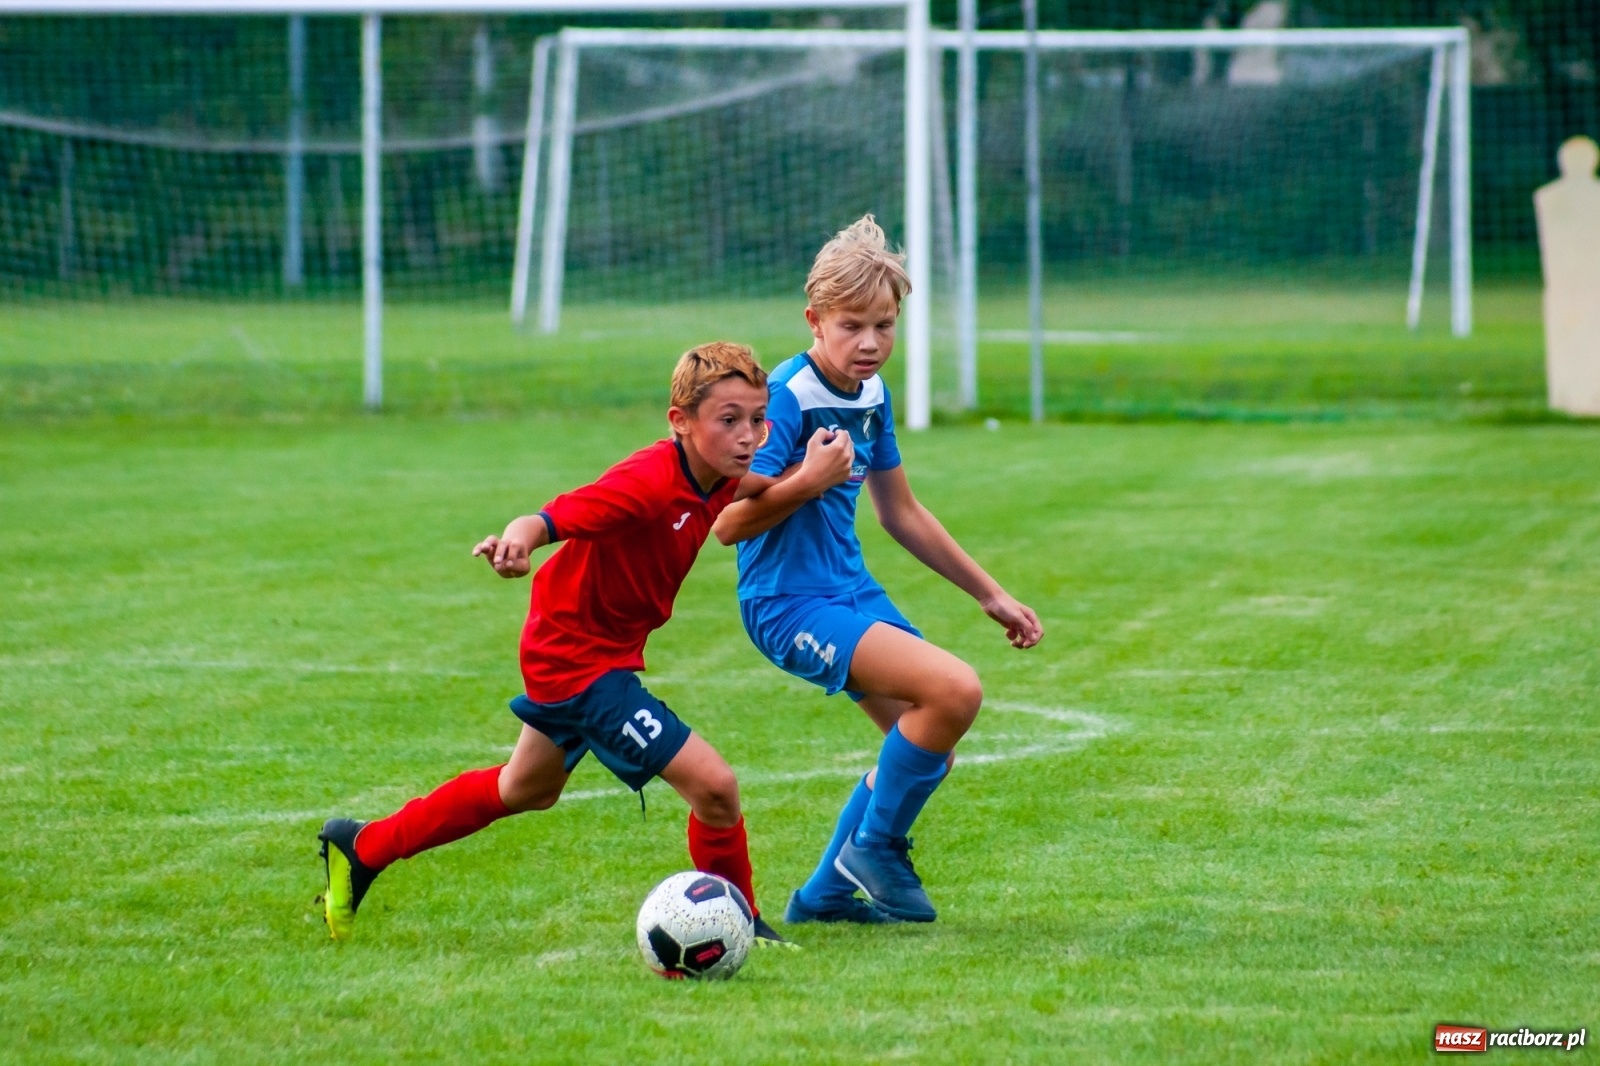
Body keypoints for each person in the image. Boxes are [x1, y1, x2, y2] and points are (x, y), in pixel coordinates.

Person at [317, 342, 828, 948]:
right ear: (679, 422)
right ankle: (742, 924)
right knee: (715, 787)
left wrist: (802, 477)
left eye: (756, 419)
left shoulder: (718, 474)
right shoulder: (647, 482)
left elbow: (748, 488)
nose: (748, 435)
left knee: (523, 789)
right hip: (576, 661)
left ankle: (363, 846)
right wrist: (516, 543)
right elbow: (552, 517)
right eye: (729, 420)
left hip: (592, 652)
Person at [713, 217, 1044, 925]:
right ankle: (874, 850)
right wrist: (807, 478)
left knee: (929, 746)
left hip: (849, 590)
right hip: (788, 602)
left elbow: (902, 512)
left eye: (885, 326)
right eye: (852, 326)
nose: (870, 344)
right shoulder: (786, 398)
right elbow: (727, 524)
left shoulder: (870, 394)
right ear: (814, 320)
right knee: (954, 691)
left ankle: (824, 897)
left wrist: (992, 594)